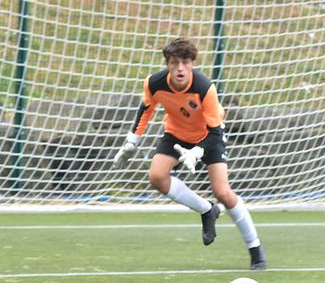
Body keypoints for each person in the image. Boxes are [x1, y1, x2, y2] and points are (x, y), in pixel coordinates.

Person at [113, 37, 267, 270]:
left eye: (185, 62)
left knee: (222, 192)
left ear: (192, 64)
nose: (180, 68)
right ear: (167, 64)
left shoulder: (204, 87)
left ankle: (255, 249)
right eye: (174, 62)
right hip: (175, 134)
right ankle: (207, 210)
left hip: (208, 137)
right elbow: (146, 110)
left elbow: (215, 132)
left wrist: (196, 152)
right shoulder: (154, 83)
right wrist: (132, 141)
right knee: (156, 177)